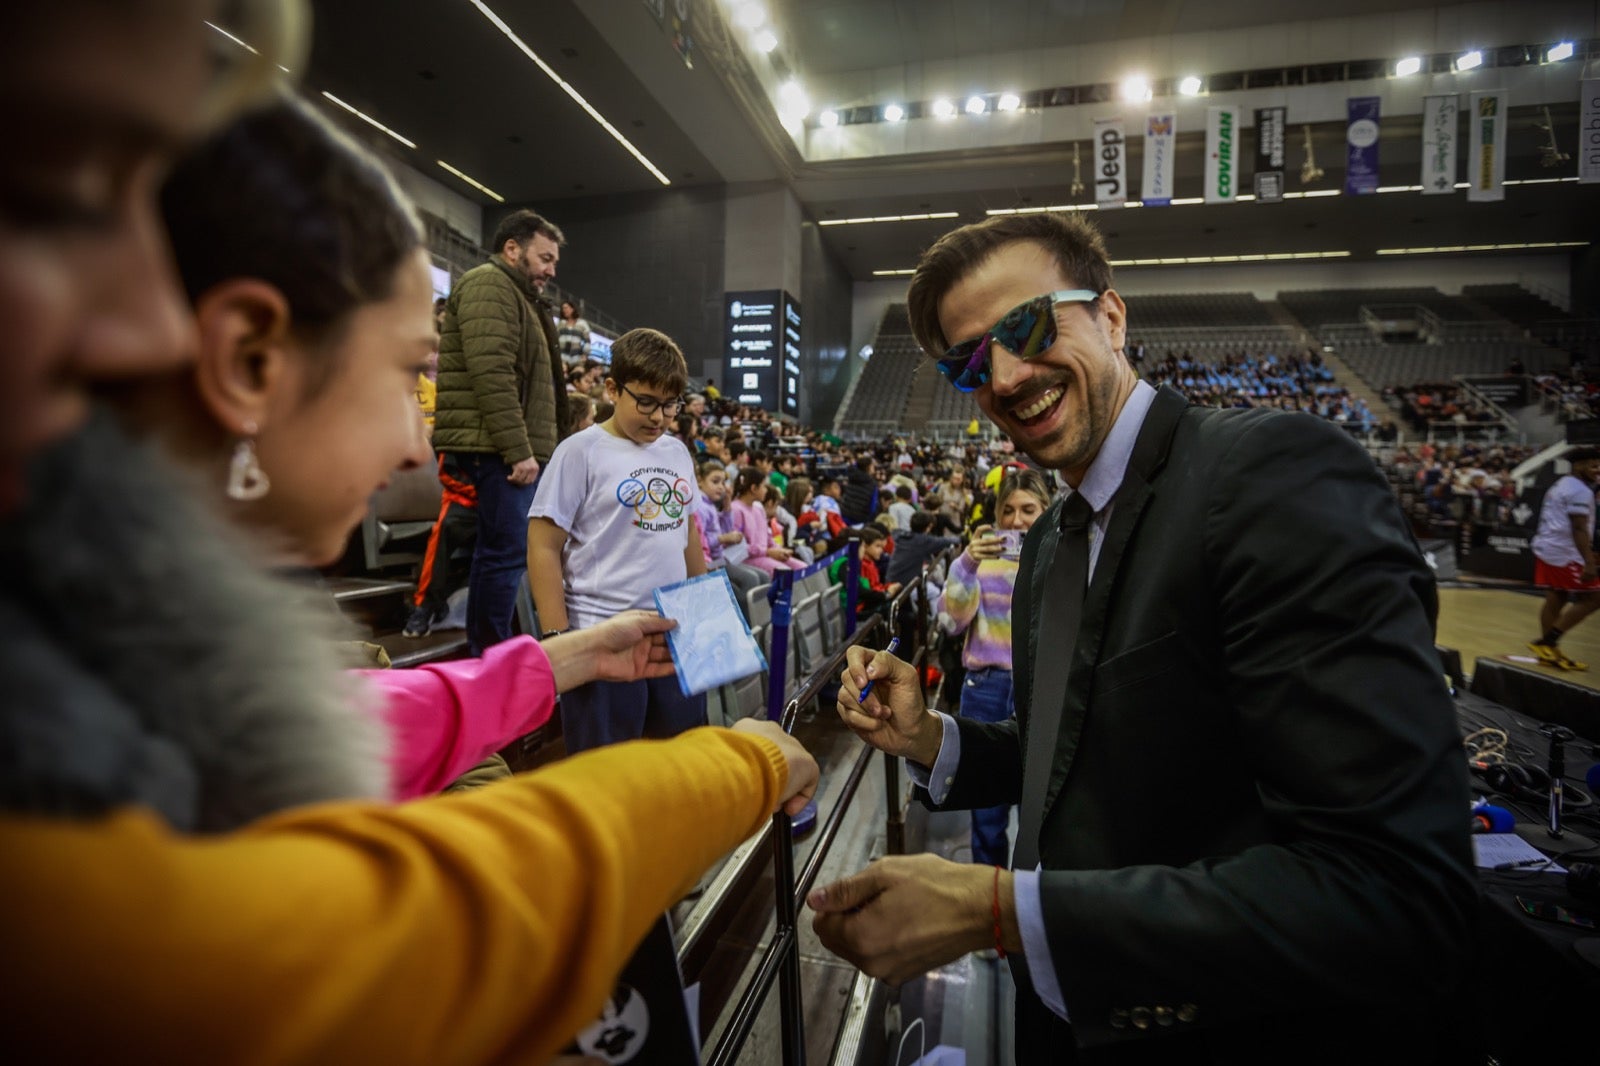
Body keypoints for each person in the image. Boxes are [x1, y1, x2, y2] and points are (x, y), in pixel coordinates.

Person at [0, 6, 820, 1061]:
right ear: (251, 359)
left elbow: (349, 722)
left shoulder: (118, 642)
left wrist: (545, 661)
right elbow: (390, 936)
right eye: (405, 376)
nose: (410, 443)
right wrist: (736, 767)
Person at [811, 211, 1473, 1062]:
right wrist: (931, 737)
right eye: (972, 361)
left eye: (1028, 325)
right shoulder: (1051, 540)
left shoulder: (1268, 474)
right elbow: (1076, 754)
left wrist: (998, 911)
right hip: (1065, 1019)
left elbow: (1395, 892)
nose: (1007, 375)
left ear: (1112, 317)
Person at [528, 328, 709, 753]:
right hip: (602, 636)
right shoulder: (581, 451)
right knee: (606, 775)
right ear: (612, 389)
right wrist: (558, 638)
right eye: (645, 402)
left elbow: (687, 533)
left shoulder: (677, 452)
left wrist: (704, 612)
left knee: (678, 765)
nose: (658, 417)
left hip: (672, 635)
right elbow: (542, 544)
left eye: (669, 405)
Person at [434, 207, 570, 654]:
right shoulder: (489, 285)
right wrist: (518, 450)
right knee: (506, 551)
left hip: (506, 445)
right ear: (512, 249)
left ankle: (489, 651)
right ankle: (490, 654)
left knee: (503, 551)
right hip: (497, 448)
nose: (551, 270)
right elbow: (492, 374)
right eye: (545, 258)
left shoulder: (518, 295)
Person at [936, 469, 1052, 869]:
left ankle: (1027, 905)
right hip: (984, 688)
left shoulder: (1065, 560)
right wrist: (966, 564)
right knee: (986, 809)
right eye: (1008, 511)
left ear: (1047, 511)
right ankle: (988, 905)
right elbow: (951, 622)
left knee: (1039, 809)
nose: (1017, 521)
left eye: (1028, 510)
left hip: (1043, 691)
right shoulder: (978, 564)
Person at [1528, 447, 1600, 670]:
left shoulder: (1562, 484)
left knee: (1556, 597)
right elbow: (1579, 528)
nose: (1598, 470)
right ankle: (1548, 641)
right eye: (1593, 465)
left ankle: (1548, 653)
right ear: (1578, 466)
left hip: (1549, 547)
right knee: (1594, 598)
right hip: (1565, 552)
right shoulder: (1580, 491)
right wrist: (1589, 561)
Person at [694, 459, 765, 607]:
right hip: (711, 562)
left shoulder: (710, 505)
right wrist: (723, 538)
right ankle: (748, 626)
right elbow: (701, 542)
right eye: (715, 482)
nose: (721, 487)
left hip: (721, 559)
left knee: (762, 577)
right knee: (750, 580)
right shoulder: (700, 506)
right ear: (699, 481)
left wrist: (727, 506)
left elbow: (725, 529)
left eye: (723, 482)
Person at [729, 469, 805, 578]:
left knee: (802, 567)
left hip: (766, 554)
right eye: (764, 486)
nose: (766, 490)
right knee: (785, 573)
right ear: (753, 488)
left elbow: (768, 537)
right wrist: (768, 552)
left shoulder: (758, 509)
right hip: (748, 559)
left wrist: (779, 550)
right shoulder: (736, 510)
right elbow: (739, 547)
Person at [557, 299, 591, 364]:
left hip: (576, 358)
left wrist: (585, 354)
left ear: (572, 309)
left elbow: (587, 341)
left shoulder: (582, 324)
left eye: (566, 308)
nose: (564, 310)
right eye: (562, 308)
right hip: (561, 357)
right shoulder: (560, 324)